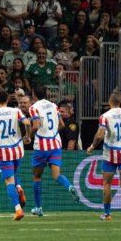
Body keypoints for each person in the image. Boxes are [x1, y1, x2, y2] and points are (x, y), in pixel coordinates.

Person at [87, 91, 121, 220]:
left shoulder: (105, 116)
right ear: (120, 102)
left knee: (107, 183)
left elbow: (100, 135)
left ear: (109, 101)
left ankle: (107, 214)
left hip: (111, 152)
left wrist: (92, 146)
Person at [0, 90, 32, 220]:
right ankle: (19, 187)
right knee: (14, 175)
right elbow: (27, 123)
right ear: (7, 100)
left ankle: (18, 209)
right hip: (18, 149)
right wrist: (28, 136)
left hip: (3, 152)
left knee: (9, 181)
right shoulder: (16, 111)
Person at [28, 86, 79, 217]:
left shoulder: (34, 107)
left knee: (37, 177)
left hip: (42, 146)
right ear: (46, 94)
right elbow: (61, 124)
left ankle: (39, 208)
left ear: (34, 94)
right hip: (55, 144)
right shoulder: (53, 106)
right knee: (57, 175)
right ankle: (69, 186)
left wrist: (29, 136)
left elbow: (35, 125)